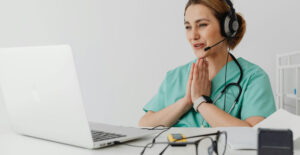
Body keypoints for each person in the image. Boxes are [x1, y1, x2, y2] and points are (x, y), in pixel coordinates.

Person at [139, 0, 276, 128]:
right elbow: (144, 125)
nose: (193, 35)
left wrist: (200, 102)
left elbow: (256, 135)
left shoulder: (253, 78)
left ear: (227, 28)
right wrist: (186, 102)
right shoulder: (175, 77)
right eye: (188, 27)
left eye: (202, 25)